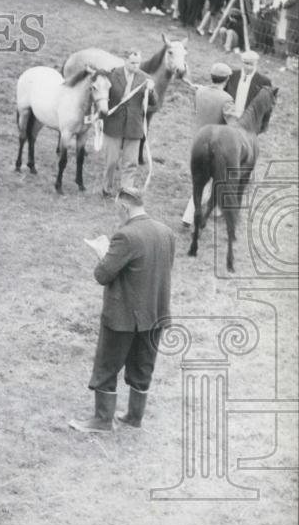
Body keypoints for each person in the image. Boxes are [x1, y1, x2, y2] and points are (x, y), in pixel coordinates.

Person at [70, 187, 176, 433]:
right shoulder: (167, 233)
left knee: (106, 367)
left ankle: (102, 420)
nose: (118, 215)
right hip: (155, 315)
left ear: (124, 207)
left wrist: (102, 254)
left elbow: (102, 275)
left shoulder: (125, 236)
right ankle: (134, 417)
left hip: (123, 317)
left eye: (118, 209)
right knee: (143, 366)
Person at [181, 63, 237, 227]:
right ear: (227, 79)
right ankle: (188, 217)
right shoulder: (226, 99)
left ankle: (217, 208)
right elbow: (232, 126)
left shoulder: (200, 92)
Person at [100, 50, 156, 196]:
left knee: (131, 163)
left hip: (134, 126)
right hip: (113, 124)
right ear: (125, 60)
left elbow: (154, 104)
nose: (136, 66)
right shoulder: (112, 75)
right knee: (111, 161)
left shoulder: (145, 79)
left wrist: (151, 91)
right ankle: (107, 188)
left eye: (138, 63)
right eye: (132, 63)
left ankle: (125, 191)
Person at [224, 50, 273, 118]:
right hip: (230, 117)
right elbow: (224, 95)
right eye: (246, 63)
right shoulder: (231, 75)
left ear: (256, 64)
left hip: (249, 120)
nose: (248, 67)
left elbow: (267, 106)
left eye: (251, 64)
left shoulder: (264, 82)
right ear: (241, 62)